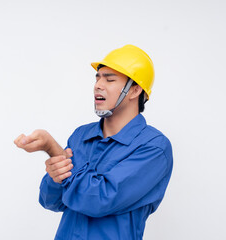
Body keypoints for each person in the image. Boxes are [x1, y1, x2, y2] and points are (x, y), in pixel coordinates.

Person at [14, 45, 173, 240]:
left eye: (110, 79)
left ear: (134, 90)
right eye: (98, 77)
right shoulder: (81, 135)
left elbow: (99, 199)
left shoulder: (153, 147)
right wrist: (56, 175)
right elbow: (51, 201)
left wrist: (53, 150)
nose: (98, 85)